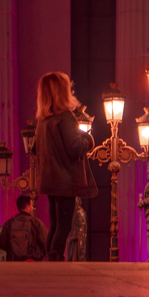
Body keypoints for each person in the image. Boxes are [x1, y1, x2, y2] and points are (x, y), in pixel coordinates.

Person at [33, 71, 94, 262]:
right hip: (65, 180)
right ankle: (55, 258)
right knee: (64, 225)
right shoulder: (65, 116)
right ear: (62, 91)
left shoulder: (43, 120)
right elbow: (75, 147)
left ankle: (49, 258)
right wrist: (88, 139)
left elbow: (34, 148)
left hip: (50, 180)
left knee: (54, 223)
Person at [0, 194, 49, 261]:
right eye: (31, 205)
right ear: (27, 207)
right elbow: (44, 242)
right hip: (32, 260)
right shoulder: (36, 222)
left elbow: (2, 243)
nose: (33, 208)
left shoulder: (9, 223)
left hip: (13, 260)